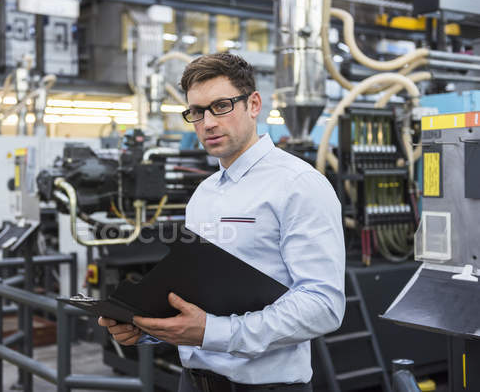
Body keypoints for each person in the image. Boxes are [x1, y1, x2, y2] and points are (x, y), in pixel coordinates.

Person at [99, 53, 345, 391]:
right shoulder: (204, 194)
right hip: (193, 382)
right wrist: (148, 329)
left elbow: (323, 305)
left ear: (253, 104)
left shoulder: (299, 185)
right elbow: (198, 299)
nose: (208, 122)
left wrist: (214, 333)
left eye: (221, 106)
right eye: (197, 112)